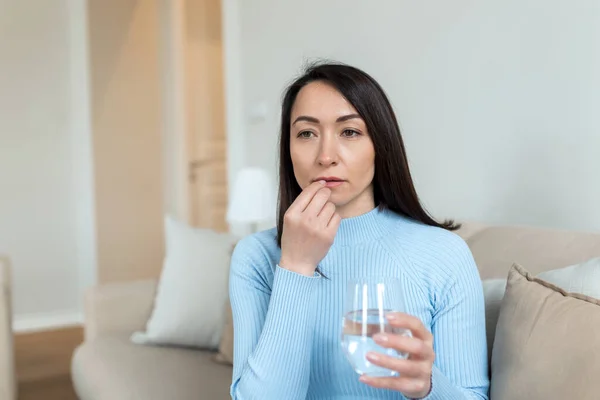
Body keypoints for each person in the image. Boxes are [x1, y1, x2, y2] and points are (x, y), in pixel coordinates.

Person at [228, 62, 489, 400]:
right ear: (288, 149)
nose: (325, 156)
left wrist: (428, 386)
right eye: (306, 133)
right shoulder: (256, 257)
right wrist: (296, 266)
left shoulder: (444, 253)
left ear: (380, 144)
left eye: (349, 132)